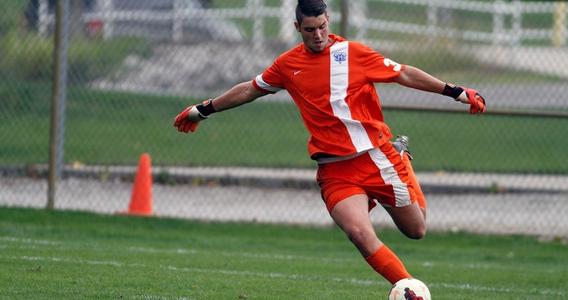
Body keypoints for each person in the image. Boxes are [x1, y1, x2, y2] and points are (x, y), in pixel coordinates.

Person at [174, 0, 485, 288]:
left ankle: (402, 160)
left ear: (328, 20)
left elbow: (404, 73)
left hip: (377, 158)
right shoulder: (287, 65)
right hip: (336, 171)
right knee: (359, 234)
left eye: (322, 26)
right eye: (310, 30)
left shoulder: (353, 53)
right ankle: (408, 289)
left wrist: (455, 91)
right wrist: (202, 110)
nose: (318, 35)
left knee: (416, 230)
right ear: (298, 28)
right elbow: (249, 90)